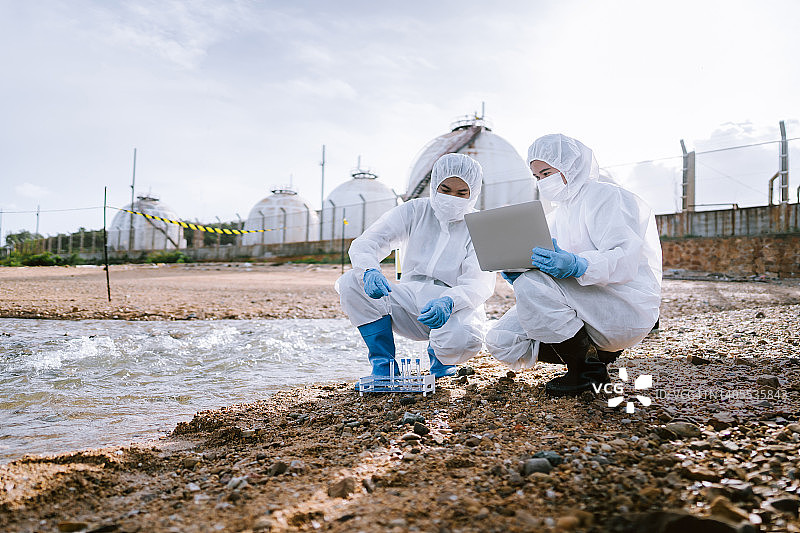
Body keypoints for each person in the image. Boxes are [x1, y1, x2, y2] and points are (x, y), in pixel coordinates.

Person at [486, 134, 661, 397]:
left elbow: (624, 258)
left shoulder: (606, 196)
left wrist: (579, 265)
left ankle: (585, 370)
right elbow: (546, 278)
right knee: (502, 340)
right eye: (537, 177)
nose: (543, 182)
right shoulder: (557, 214)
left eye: (547, 173)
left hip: (622, 302)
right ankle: (596, 355)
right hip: (585, 302)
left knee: (532, 284)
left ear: (570, 165)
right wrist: (519, 268)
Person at [337, 153, 496, 387]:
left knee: (463, 337)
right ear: (435, 185)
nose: (452, 198)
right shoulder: (414, 210)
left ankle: (441, 363)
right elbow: (368, 242)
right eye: (445, 190)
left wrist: (449, 302)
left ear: (473, 193)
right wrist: (369, 270)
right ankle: (384, 366)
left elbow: (479, 283)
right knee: (352, 282)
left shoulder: (480, 226)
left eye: (462, 193)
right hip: (409, 299)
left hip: (453, 305)